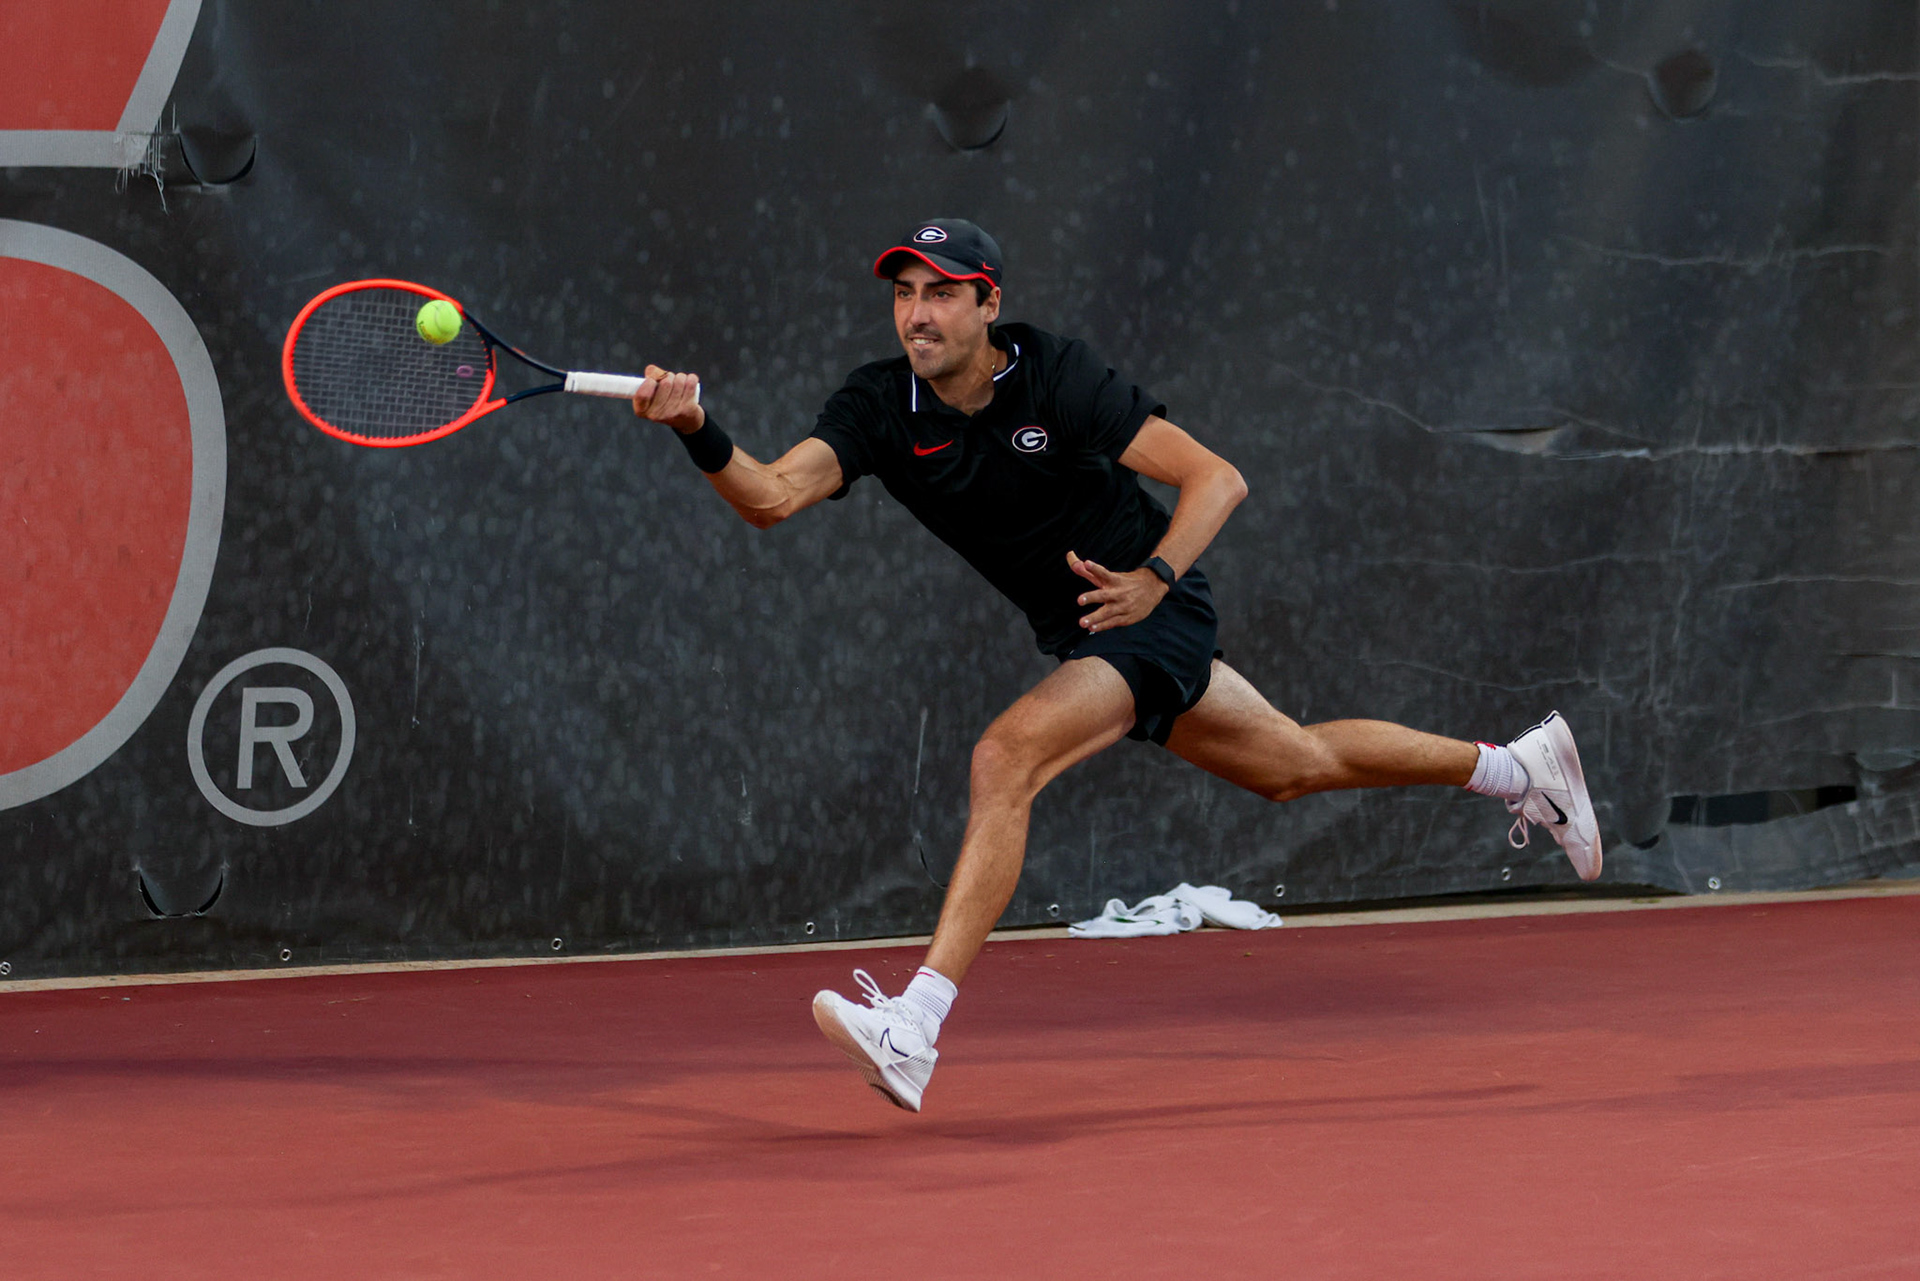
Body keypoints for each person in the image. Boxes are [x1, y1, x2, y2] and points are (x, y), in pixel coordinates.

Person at [631, 219, 1600, 1113]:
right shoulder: (880, 404)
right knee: (1294, 765)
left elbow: (1217, 476)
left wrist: (1155, 576)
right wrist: (694, 428)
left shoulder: (1058, 376)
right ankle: (1520, 768)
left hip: (1151, 611)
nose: (917, 312)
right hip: (1093, 632)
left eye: (940, 292)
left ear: (987, 303)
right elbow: (768, 495)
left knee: (1005, 756)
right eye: (903, 294)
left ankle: (915, 1025)